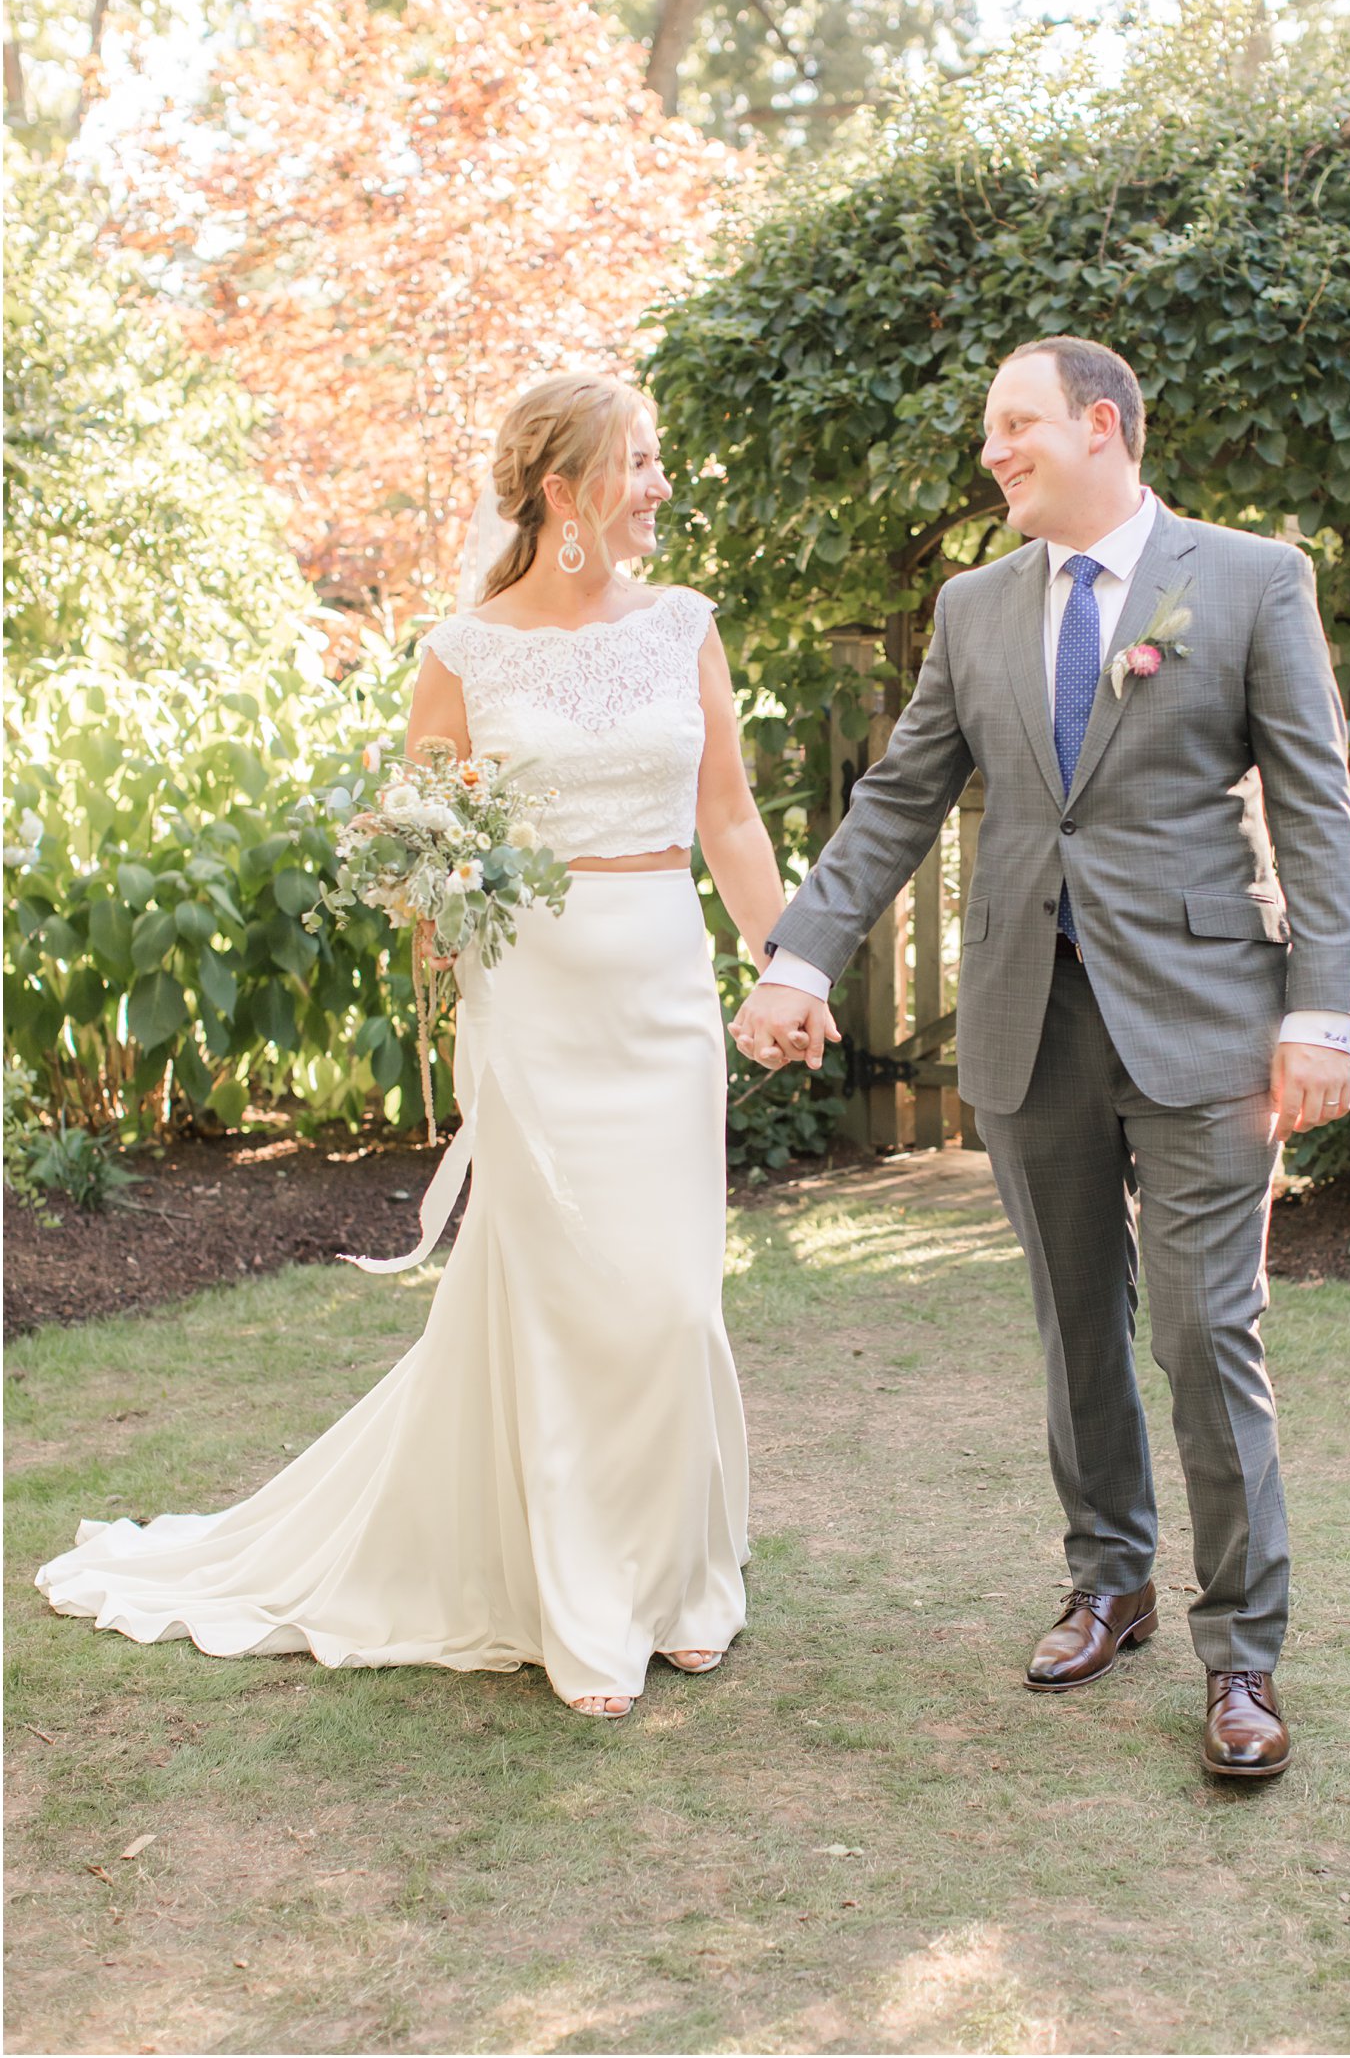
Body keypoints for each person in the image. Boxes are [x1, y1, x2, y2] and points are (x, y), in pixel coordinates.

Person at [38, 372, 789, 1722]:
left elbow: (727, 817)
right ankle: (579, 1600)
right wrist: (436, 906)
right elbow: (419, 845)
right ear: (566, 488)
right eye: (642, 459)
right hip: (540, 1007)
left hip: (663, 997)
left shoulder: (685, 628)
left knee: (674, 1296)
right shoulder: (463, 650)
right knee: (562, 1301)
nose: (661, 484)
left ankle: (678, 1577)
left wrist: (787, 955)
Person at [733, 337, 1350, 1778]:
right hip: (1032, 1019)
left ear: (1101, 426)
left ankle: (1244, 1654)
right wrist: (799, 953)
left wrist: (1318, 1008)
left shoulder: (1250, 578)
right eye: (987, 432)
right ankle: (1110, 1580)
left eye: (1014, 425)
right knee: (1075, 1319)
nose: (992, 451)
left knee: (1208, 1331)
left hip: (1208, 1020)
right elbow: (897, 800)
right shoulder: (972, 607)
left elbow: (1316, 810)